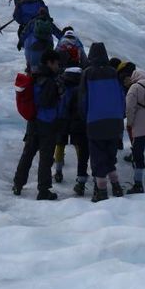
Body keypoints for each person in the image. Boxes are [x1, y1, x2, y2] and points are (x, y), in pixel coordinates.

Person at [12, 50, 62, 200]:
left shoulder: (34, 75)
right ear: (50, 62)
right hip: (46, 123)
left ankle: (18, 184)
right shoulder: (48, 80)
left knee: (28, 154)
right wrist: (58, 93)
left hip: (33, 122)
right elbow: (47, 102)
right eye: (57, 63)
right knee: (45, 157)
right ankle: (43, 190)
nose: (58, 66)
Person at [80, 42, 126, 202]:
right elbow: (121, 96)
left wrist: (85, 117)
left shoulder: (87, 73)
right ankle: (116, 186)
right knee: (110, 157)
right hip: (115, 122)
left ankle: (101, 191)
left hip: (95, 121)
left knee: (98, 158)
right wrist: (121, 116)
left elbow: (83, 100)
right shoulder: (113, 73)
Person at [53, 67, 91, 195]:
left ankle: (58, 171)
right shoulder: (81, 88)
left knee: (59, 144)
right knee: (79, 146)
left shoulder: (61, 85)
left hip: (61, 119)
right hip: (76, 120)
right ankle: (81, 173)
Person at [20, 8, 63, 73]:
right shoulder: (49, 23)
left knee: (34, 68)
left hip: (35, 46)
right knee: (48, 67)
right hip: (48, 46)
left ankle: (33, 78)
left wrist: (20, 42)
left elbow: (24, 33)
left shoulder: (33, 22)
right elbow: (59, 34)